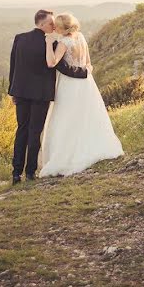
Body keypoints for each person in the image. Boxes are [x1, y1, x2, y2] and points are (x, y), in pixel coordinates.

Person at [8, 9, 90, 184]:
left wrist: (12, 91)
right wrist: (85, 73)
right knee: (34, 132)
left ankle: (16, 173)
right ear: (43, 24)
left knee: (21, 130)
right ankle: (30, 172)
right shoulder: (52, 43)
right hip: (40, 94)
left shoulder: (19, 39)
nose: (54, 26)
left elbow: (13, 67)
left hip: (20, 92)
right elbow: (63, 68)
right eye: (51, 23)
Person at [38, 12, 124, 177]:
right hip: (86, 83)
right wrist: (87, 72)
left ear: (63, 28)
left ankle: (69, 155)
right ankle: (94, 147)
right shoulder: (81, 37)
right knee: (87, 115)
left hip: (69, 85)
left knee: (66, 117)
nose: (54, 27)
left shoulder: (63, 42)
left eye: (56, 25)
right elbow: (88, 64)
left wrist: (48, 43)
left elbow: (52, 62)